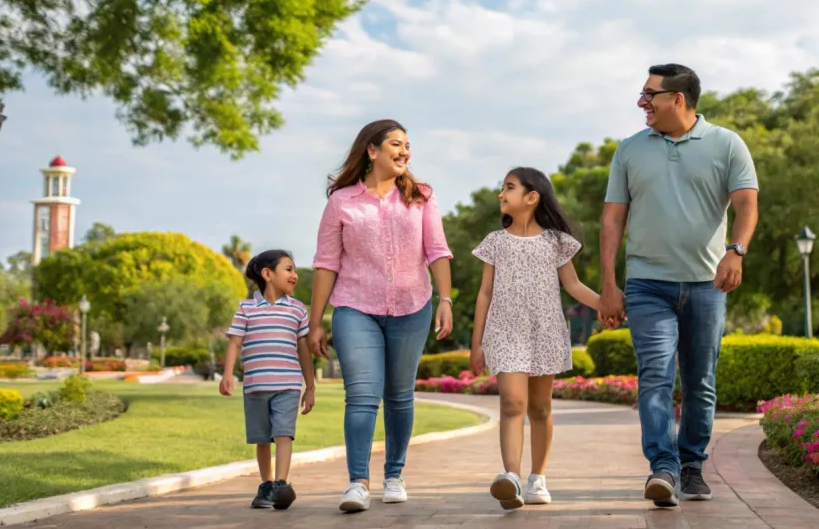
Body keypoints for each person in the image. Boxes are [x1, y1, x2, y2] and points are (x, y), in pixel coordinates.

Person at [598, 63, 759, 508]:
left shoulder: (727, 144)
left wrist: (736, 251)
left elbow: (747, 206)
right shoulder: (629, 150)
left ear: (678, 100)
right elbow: (613, 219)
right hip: (647, 284)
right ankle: (663, 467)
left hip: (707, 286)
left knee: (700, 381)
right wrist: (609, 284)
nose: (641, 101)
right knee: (655, 375)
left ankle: (691, 465)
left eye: (650, 94)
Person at [306, 119, 455, 513]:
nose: (404, 151)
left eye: (407, 145)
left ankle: (394, 475)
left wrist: (445, 299)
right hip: (356, 307)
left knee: (400, 395)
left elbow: (437, 249)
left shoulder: (421, 196)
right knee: (361, 395)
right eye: (395, 143)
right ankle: (357, 483)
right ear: (372, 151)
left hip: (412, 307)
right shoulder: (341, 202)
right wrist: (316, 320)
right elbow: (325, 264)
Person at [469, 167, 601, 510]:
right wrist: (477, 342)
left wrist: (606, 305)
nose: (501, 194)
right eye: (502, 188)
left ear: (532, 197)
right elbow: (484, 294)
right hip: (504, 331)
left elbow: (573, 286)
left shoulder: (556, 242)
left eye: (509, 188)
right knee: (512, 403)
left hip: (545, 331)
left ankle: (537, 478)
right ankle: (510, 477)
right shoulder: (495, 243)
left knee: (541, 407)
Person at [219, 249, 316, 511]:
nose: (295, 275)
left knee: (284, 433)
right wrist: (227, 374)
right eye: (289, 269)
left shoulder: (297, 309)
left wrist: (311, 386)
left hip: (288, 385)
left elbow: (303, 349)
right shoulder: (246, 307)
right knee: (262, 438)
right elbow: (235, 342)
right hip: (255, 385)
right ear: (267, 274)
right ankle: (267, 483)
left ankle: (281, 484)